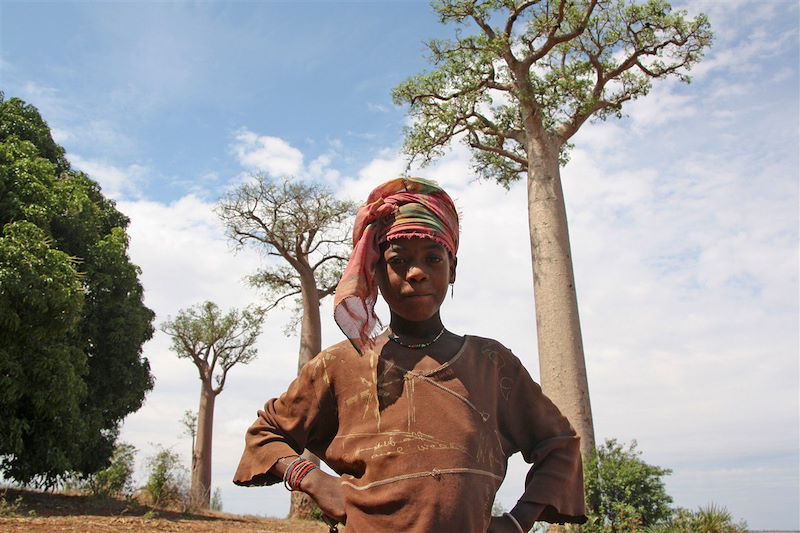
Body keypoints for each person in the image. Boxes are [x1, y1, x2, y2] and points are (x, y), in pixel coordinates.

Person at [233, 177, 586, 533]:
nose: (416, 273)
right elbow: (266, 433)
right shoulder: (339, 366)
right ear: (375, 272)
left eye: (433, 258)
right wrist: (311, 478)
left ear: (452, 269)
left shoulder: (491, 365)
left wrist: (517, 521)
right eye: (397, 260)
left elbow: (559, 443)